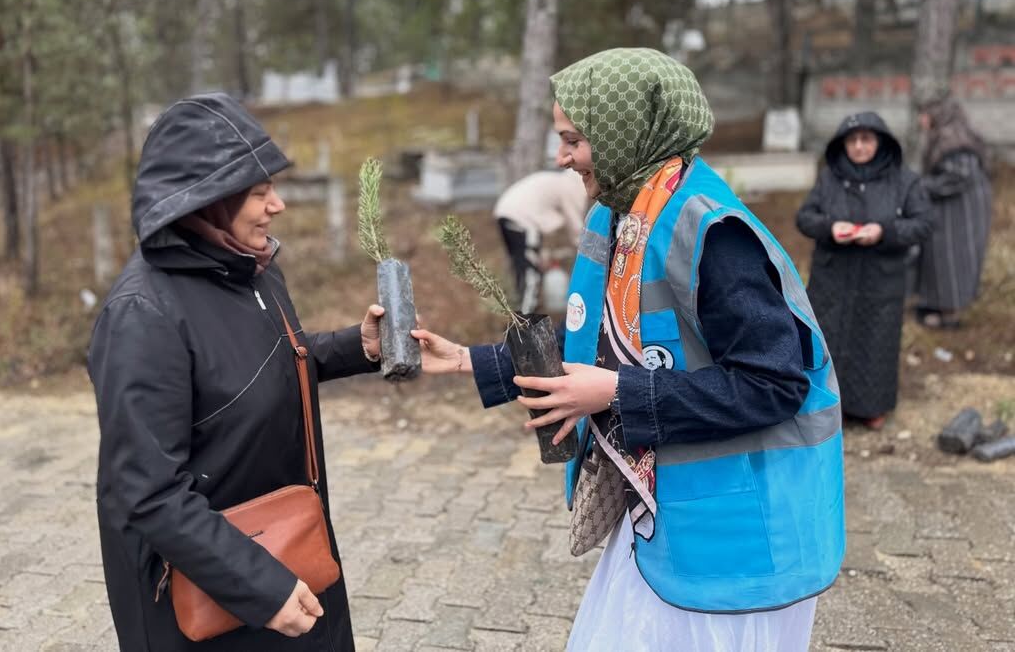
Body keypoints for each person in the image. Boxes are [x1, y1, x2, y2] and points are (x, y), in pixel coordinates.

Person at [413, 48, 845, 651]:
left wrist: (616, 392)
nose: (562, 156)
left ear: (623, 132)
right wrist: (467, 360)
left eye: (573, 139)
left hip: (738, 540)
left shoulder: (712, 234)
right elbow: (591, 342)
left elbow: (774, 384)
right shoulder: (623, 215)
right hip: (669, 518)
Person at [87, 93, 386, 651]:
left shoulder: (249, 269)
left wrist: (357, 347)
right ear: (207, 202)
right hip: (208, 601)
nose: (277, 205)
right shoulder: (142, 316)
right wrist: (263, 588)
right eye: (258, 192)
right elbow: (148, 493)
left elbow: (262, 365)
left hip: (288, 551)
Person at [795, 112, 931, 430]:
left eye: (866, 139)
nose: (858, 146)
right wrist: (831, 227)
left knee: (876, 342)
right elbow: (804, 217)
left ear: (880, 142)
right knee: (831, 340)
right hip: (833, 279)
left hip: (880, 279)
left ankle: (872, 409)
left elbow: (923, 223)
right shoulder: (830, 177)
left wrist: (883, 231)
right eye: (852, 140)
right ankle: (830, 406)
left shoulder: (904, 180)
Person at [914, 93, 992, 329]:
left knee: (952, 259)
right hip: (954, 206)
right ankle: (937, 304)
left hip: (961, 210)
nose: (921, 120)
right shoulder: (950, 133)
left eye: (924, 115)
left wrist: (922, 185)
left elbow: (959, 175)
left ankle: (949, 316)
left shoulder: (952, 138)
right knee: (942, 256)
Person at [492, 168, 588, 313]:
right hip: (522, 218)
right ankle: (525, 321)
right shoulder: (574, 186)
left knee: (521, 267)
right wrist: (590, 256)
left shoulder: (557, 181)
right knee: (530, 273)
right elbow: (576, 230)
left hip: (505, 212)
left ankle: (521, 314)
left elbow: (550, 222)